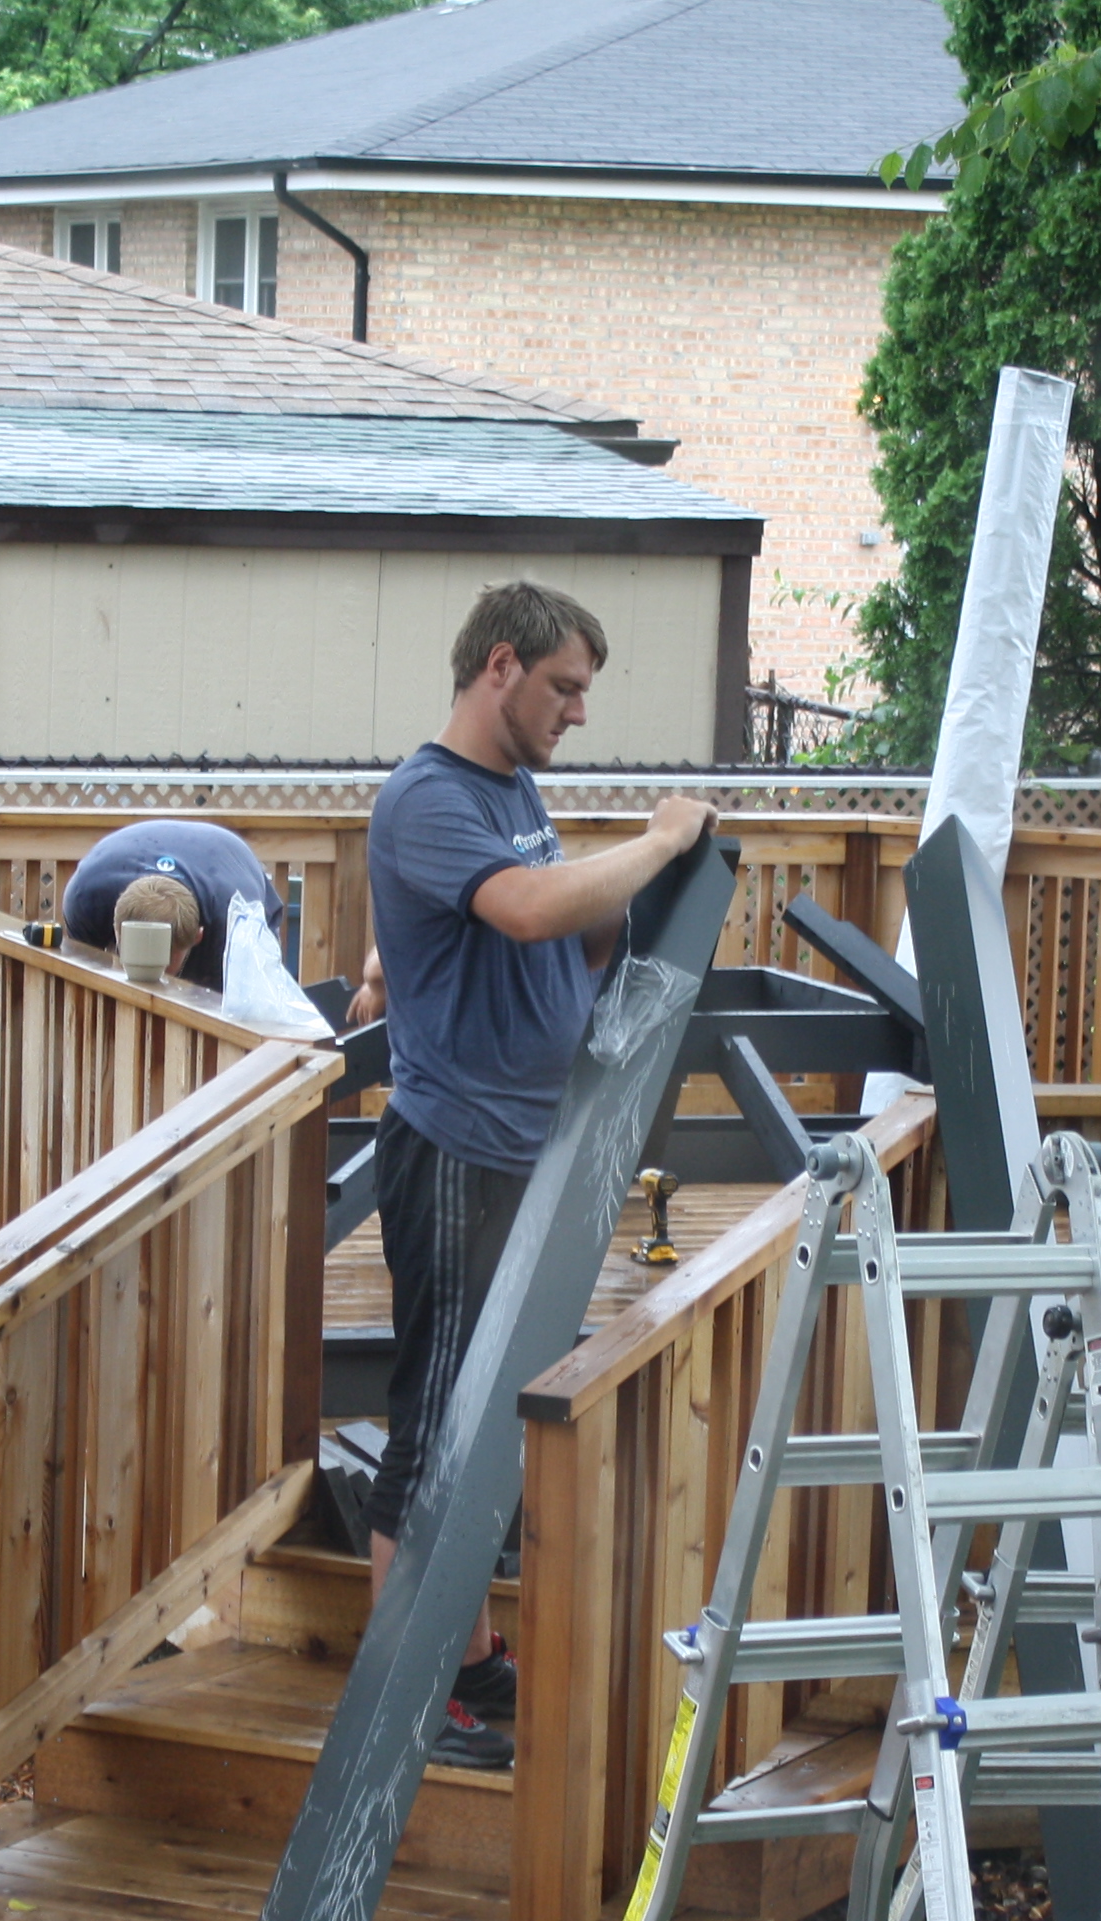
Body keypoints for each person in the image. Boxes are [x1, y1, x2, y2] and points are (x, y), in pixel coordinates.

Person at [361, 579, 716, 1768]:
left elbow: (560, 924)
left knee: (488, 1418)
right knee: (434, 1427)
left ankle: (461, 1656)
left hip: (525, 1146)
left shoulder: (512, 792)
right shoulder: (428, 794)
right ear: (499, 666)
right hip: (457, 1151)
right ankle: (403, 1700)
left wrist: (637, 904)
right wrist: (659, 840)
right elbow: (520, 912)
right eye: (564, 687)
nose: (576, 712)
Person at [57, 819, 285, 988]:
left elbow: (247, 1006)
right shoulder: (86, 898)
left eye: (163, 966)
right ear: (115, 928)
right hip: (120, 854)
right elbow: (82, 977)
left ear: (197, 936)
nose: (151, 975)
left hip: (225, 862)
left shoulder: (237, 923)